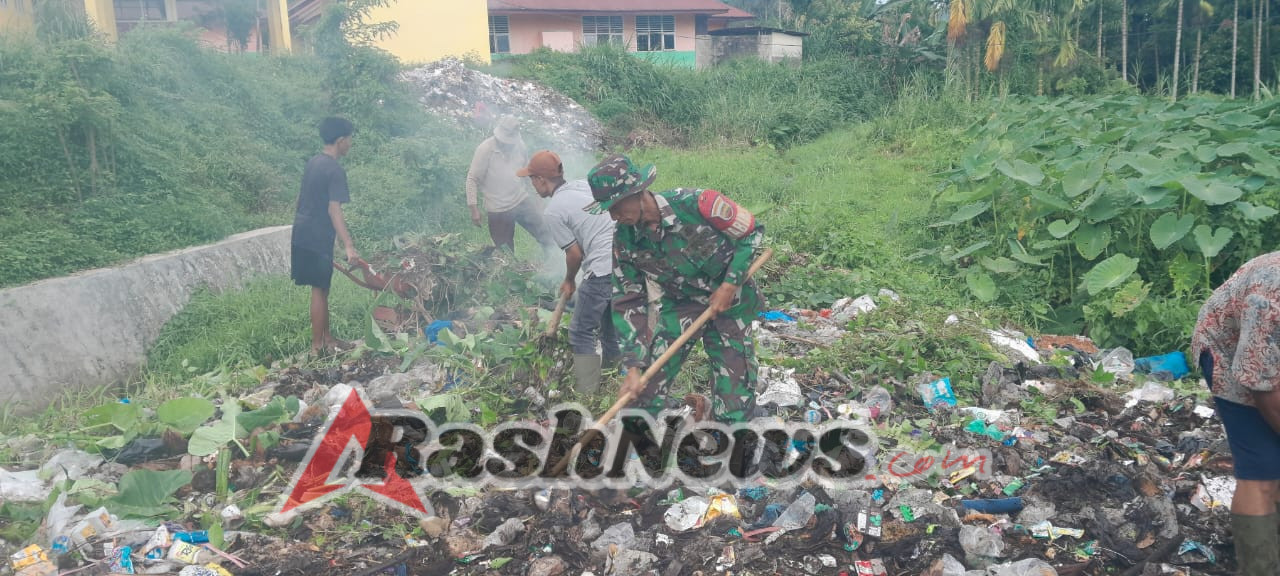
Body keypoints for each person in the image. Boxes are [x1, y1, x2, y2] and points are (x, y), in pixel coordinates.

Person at [584, 154, 765, 430]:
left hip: (731, 302)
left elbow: (751, 233)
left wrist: (730, 284)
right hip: (681, 305)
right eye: (608, 209)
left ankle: (731, 446)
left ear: (638, 192)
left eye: (617, 206)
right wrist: (633, 365)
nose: (613, 215)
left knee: (734, 396)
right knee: (644, 386)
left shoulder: (699, 204)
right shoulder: (625, 240)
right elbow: (627, 299)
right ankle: (635, 448)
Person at [1190, 251, 1280, 576]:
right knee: (1264, 468)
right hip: (1229, 352)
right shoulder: (1269, 297)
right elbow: (1264, 388)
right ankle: (1260, 567)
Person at [518, 150, 621, 393]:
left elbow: (575, 254)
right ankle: (612, 381)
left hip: (602, 267)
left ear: (542, 180)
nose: (532, 185)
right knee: (609, 326)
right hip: (623, 261)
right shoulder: (583, 186)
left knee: (580, 331)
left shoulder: (553, 210)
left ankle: (589, 393)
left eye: (532, 179)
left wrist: (568, 280)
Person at [291, 116, 360, 357]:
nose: (351, 144)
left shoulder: (313, 162)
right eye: (349, 139)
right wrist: (349, 245)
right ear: (340, 140)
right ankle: (317, 347)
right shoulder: (334, 169)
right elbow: (334, 209)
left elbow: (300, 199)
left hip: (304, 231)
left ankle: (327, 338)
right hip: (317, 235)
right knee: (319, 289)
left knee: (323, 287)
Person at [465, 116, 553, 253]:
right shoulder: (485, 149)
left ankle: (554, 267)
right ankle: (513, 271)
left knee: (546, 235)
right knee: (506, 252)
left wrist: (537, 198)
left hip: (520, 200)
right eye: (503, 141)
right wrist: (474, 209)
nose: (506, 144)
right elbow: (472, 178)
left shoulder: (520, 146)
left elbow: (527, 172)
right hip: (498, 209)